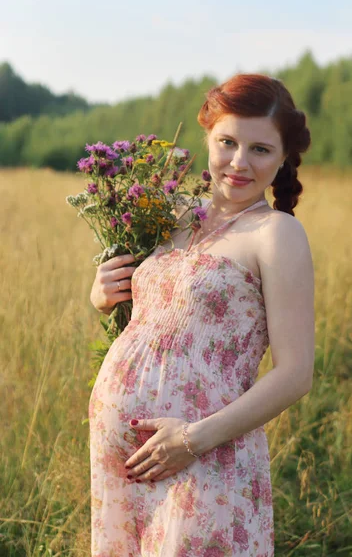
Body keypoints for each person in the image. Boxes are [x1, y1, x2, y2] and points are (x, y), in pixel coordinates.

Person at [88, 73, 315, 556]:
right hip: (124, 463)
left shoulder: (276, 234)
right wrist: (102, 294)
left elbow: (296, 375)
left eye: (260, 149)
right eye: (227, 142)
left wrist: (191, 440)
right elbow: (150, 317)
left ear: (283, 157)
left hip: (204, 458)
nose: (238, 162)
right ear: (207, 138)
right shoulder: (171, 214)